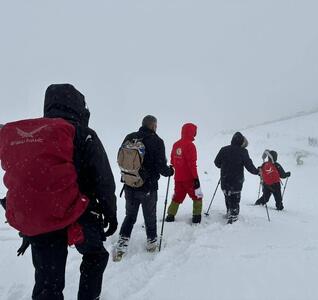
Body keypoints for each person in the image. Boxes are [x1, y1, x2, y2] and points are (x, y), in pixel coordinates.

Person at [0, 84, 117, 300]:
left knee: (47, 283)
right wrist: (111, 213)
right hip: (78, 213)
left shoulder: (34, 136)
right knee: (95, 256)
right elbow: (104, 180)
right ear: (78, 107)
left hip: (38, 217)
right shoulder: (83, 134)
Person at [116, 115, 173, 256]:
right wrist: (170, 171)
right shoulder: (157, 141)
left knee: (130, 216)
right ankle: (152, 242)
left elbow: (120, 158)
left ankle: (123, 242)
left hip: (129, 184)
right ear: (153, 126)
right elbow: (161, 166)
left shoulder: (129, 137)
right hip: (148, 187)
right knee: (149, 216)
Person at [214, 132, 259, 224]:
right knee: (235, 198)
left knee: (227, 195)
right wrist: (257, 171)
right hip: (236, 181)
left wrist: (223, 166)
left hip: (225, 179)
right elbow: (249, 166)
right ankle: (233, 215)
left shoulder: (224, 149)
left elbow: (216, 162)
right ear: (241, 142)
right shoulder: (243, 151)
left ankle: (229, 212)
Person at [165, 123, 203, 224]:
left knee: (177, 196)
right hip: (190, 178)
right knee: (197, 196)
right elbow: (192, 164)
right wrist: (196, 178)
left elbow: (173, 161)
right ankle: (196, 217)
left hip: (178, 178)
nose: (195, 134)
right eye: (195, 131)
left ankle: (170, 215)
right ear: (192, 132)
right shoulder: (190, 145)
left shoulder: (176, 144)